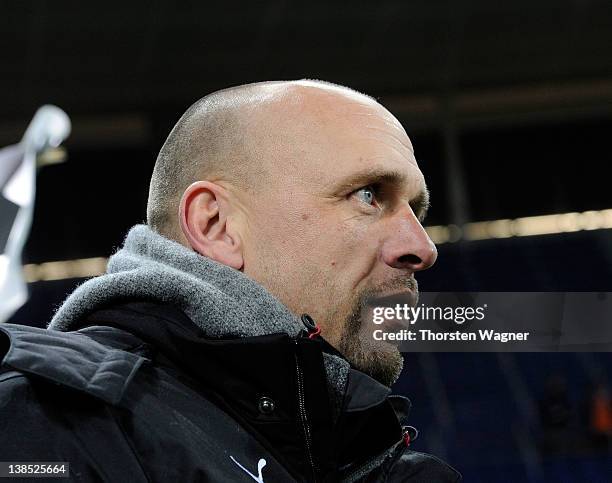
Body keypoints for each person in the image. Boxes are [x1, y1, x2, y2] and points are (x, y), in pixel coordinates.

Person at [0, 80, 461, 482]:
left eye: (416, 211)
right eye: (369, 195)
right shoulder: (42, 422)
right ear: (217, 225)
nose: (422, 247)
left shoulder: (375, 460)